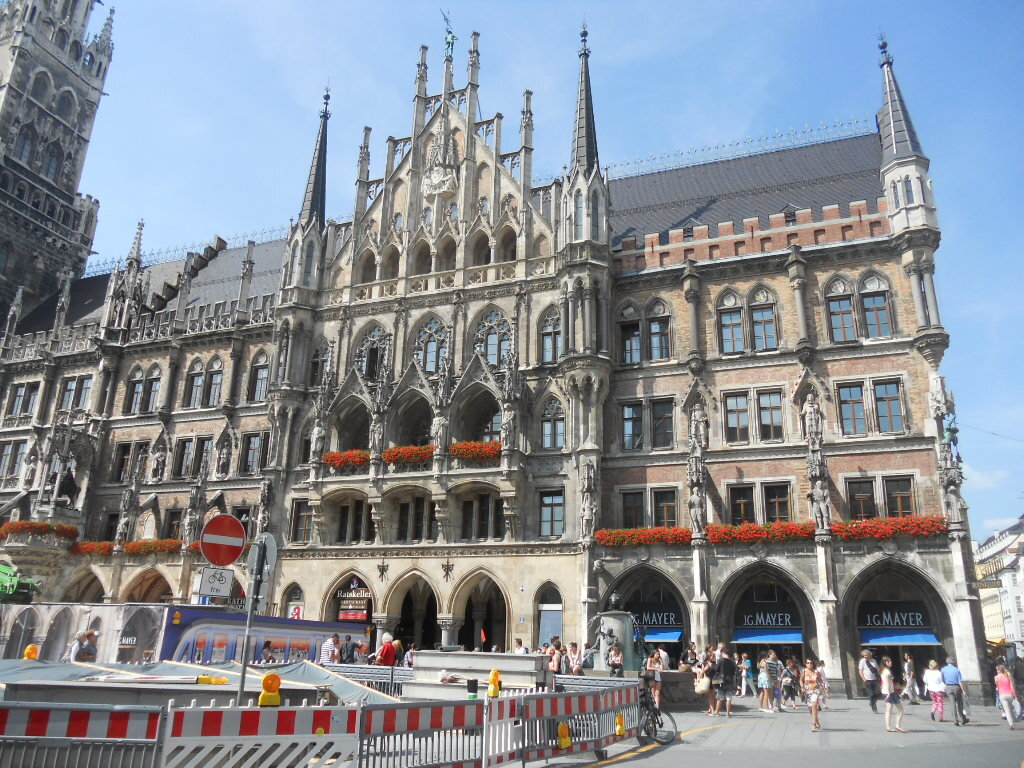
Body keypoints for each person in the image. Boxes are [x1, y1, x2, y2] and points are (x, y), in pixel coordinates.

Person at [880, 656, 907, 733]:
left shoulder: (884, 670)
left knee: (896, 709)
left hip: (889, 692)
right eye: (888, 661)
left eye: (891, 661)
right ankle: (892, 726)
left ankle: (894, 726)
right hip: (889, 692)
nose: (891, 662)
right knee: (892, 709)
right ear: (885, 663)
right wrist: (888, 693)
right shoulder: (887, 672)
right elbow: (887, 683)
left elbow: (884, 683)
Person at [940, 657, 969, 726]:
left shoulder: (943, 669)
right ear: (953, 662)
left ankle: (955, 720)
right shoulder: (956, 670)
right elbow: (960, 681)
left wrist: (947, 684)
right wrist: (964, 690)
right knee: (959, 703)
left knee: (952, 704)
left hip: (948, 687)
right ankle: (962, 718)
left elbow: (942, 679)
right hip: (956, 687)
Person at [712, 648, 737, 718]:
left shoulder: (721, 660)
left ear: (724, 653)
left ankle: (717, 712)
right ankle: (728, 713)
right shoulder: (732, 662)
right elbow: (734, 674)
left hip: (721, 681)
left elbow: (716, 669)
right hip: (730, 681)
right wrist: (734, 683)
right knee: (728, 698)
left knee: (720, 697)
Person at [801, 659, 822, 731]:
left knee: (814, 704)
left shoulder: (816, 672)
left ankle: (813, 725)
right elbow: (801, 680)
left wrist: (824, 689)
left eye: (811, 663)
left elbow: (820, 681)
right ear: (806, 664)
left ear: (813, 664)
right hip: (807, 691)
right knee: (810, 708)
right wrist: (802, 687)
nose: (809, 664)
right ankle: (816, 719)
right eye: (808, 663)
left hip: (815, 690)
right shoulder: (804, 671)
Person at [994, 664, 1017, 730]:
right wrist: (1015, 695)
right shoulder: (1008, 675)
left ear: (998, 670)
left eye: (997, 670)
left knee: (1007, 710)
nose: (997, 671)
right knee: (1011, 708)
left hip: (1002, 695)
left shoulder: (996, 677)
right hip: (1010, 694)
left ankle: (1011, 724)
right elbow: (1012, 686)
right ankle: (1014, 719)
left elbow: (997, 687)